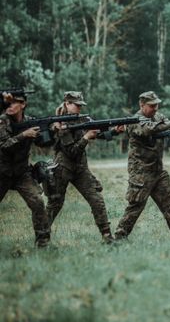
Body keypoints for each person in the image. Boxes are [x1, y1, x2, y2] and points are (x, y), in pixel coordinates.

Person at [114, 91, 170, 240]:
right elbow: (148, 129)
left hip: (158, 170)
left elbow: (168, 128)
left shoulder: (159, 117)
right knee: (135, 206)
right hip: (141, 171)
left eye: (157, 105)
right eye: (152, 105)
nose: (156, 108)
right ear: (142, 105)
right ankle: (120, 237)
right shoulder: (134, 120)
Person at [46, 91, 115, 243]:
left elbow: (98, 132)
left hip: (80, 168)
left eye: (81, 105)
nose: (79, 108)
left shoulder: (83, 119)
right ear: (67, 104)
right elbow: (72, 151)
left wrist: (114, 131)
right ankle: (42, 238)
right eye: (76, 105)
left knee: (96, 199)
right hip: (63, 167)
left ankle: (107, 237)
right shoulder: (60, 124)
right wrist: (86, 137)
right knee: (55, 203)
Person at [0, 92, 50, 247]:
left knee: (38, 202)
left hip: (22, 173)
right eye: (8, 103)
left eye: (14, 103)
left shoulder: (30, 122)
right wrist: (24, 135)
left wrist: (51, 131)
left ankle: (43, 243)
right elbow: (3, 145)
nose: (10, 106)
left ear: (23, 105)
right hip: (2, 172)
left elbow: (44, 144)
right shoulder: (2, 121)